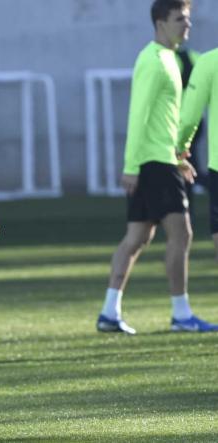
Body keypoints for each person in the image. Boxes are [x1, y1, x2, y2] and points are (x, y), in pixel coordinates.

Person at [96, 0, 218, 334]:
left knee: (137, 236)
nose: (187, 25)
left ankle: (109, 311)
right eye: (180, 19)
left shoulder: (170, 59)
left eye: (188, 19)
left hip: (164, 160)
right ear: (160, 23)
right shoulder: (153, 60)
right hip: (153, 163)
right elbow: (139, 115)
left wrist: (181, 158)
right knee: (182, 232)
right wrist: (132, 166)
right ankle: (181, 314)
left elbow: (166, 120)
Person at [178, 46, 218, 260]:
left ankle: (186, 210)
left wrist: (179, 149)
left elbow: (189, 116)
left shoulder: (208, 60)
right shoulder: (198, 58)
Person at [175, 44, 206, 218]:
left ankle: (186, 211)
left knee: (187, 166)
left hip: (181, 123)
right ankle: (186, 210)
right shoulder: (196, 56)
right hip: (196, 120)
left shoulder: (169, 60)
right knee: (189, 165)